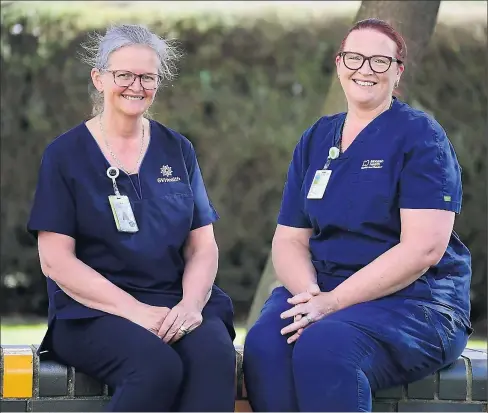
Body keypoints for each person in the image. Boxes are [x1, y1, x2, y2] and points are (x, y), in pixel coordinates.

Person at [243, 18, 473, 412]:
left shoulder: (420, 137)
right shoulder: (317, 138)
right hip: (325, 290)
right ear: (338, 64)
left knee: (326, 346)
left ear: (398, 72)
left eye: (380, 61)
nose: (365, 69)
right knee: (266, 343)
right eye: (354, 57)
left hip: (416, 302)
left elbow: (423, 250)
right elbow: (289, 238)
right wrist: (310, 297)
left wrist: (332, 304)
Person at [27, 24, 236, 412]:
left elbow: (203, 246)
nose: (135, 86)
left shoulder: (177, 149)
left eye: (147, 77)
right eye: (124, 74)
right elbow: (55, 260)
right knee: (155, 368)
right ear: (99, 78)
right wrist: (135, 312)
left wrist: (191, 306)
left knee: (214, 359)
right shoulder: (65, 155)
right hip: (93, 311)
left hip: (174, 301)